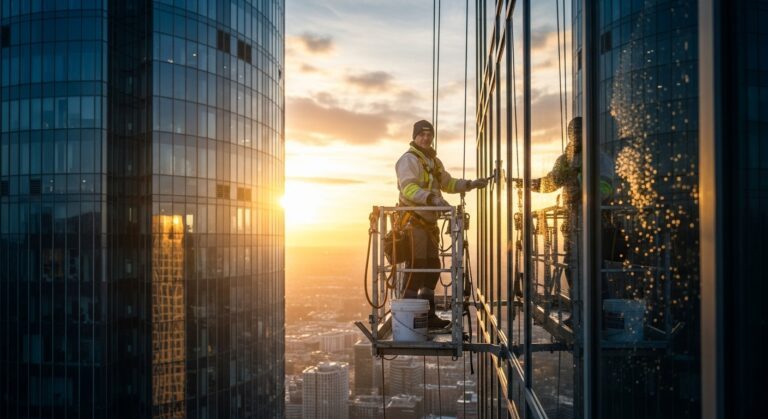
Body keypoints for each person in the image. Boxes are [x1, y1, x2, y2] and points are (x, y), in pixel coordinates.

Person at [395, 120, 488, 329]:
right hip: (414, 221)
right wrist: (431, 199)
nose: (426, 138)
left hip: (427, 223)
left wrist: (470, 184)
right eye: (422, 134)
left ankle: (428, 315)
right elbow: (408, 188)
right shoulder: (408, 160)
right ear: (415, 137)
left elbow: (447, 183)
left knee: (432, 267)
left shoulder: (433, 162)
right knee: (416, 267)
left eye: (429, 134)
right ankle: (407, 317)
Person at [531, 116, 615, 326]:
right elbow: (553, 181)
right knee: (572, 266)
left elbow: (606, 186)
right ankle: (580, 312)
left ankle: (601, 314)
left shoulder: (597, 157)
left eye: (579, 132)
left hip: (592, 221)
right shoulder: (566, 159)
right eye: (573, 132)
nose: (576, 136)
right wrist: (534, 184)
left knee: (595, 267)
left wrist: (586, 194)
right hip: (573, 221)